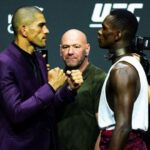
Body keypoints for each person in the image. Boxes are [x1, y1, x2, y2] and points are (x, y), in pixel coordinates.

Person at [0, 6, 83, 150]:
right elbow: (17, 113)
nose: (47, 31)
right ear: (24, 30)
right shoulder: (4, 63)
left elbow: (47, 107)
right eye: (41, 26)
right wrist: (50, 87)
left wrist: (69, 89)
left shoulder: (38, 59)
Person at [97, 9, 148, 150]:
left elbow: (123, 127)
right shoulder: (127, 65)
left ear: (117, 35)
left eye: (104, 28)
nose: (99, 32)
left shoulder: (122, 71)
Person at [57, 29, 106, 150]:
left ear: (87, 49)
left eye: (76, 47)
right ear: (60, 50)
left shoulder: (99, 79)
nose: (70, 52)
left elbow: (104, 129)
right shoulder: (56, 79)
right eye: (65, 47)